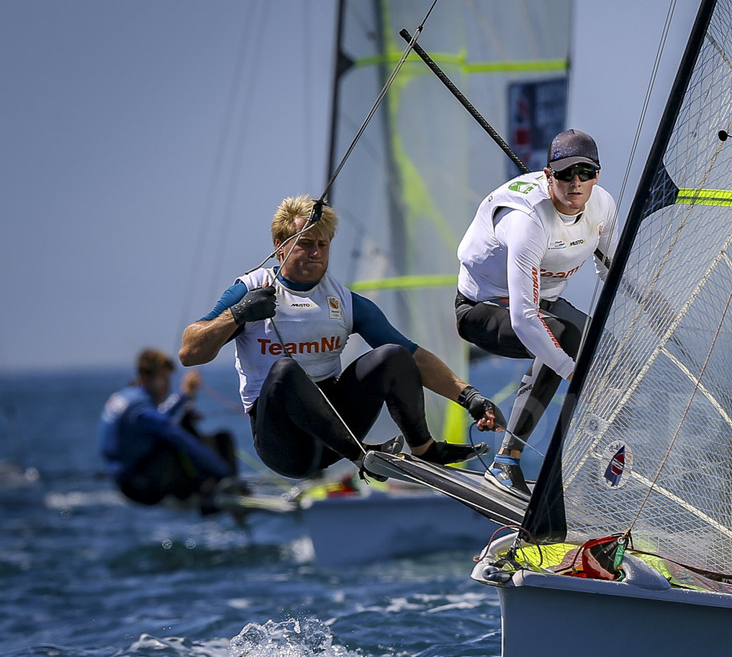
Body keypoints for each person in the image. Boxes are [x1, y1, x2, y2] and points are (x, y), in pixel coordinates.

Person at [180, 195, 504, 481]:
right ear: (280, 247)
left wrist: (470, 397)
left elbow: (414, 356)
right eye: (305, 243)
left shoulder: (344, 302)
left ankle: (424, 448)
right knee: (285, 371)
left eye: (323, 245)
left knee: (393, 355)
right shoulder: (249, 289)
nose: (316, 253)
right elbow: (189, 352)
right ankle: (364, 457)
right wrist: (238, 314)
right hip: (284, 446)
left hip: (334, 435)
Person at [455, 129, 619, 495]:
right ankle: (506, 463)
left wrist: (647, 310)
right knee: (561, 340)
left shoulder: (603, 206)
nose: (575, 183)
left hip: (544, 304)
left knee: (604, 351)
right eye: (564, 174)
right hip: (484, 306)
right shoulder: (528, 221)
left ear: (597, 175)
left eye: (585, 172)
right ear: (549, 176)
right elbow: (524, 318)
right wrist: (570, 373)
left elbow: (611, 272)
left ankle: (591, 463)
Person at [99, 348, 238, 511]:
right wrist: (224, 473)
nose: (167, 385)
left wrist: (184, 395)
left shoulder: (128, 395)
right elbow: (181, 439)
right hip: (138, 486)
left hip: (124, 478)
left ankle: (215, 485)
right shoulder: (140, 410)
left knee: (179, 430)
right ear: (145, 377)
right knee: (192, 436)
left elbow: (159, 417)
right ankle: (213, 493)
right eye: (163, 378)